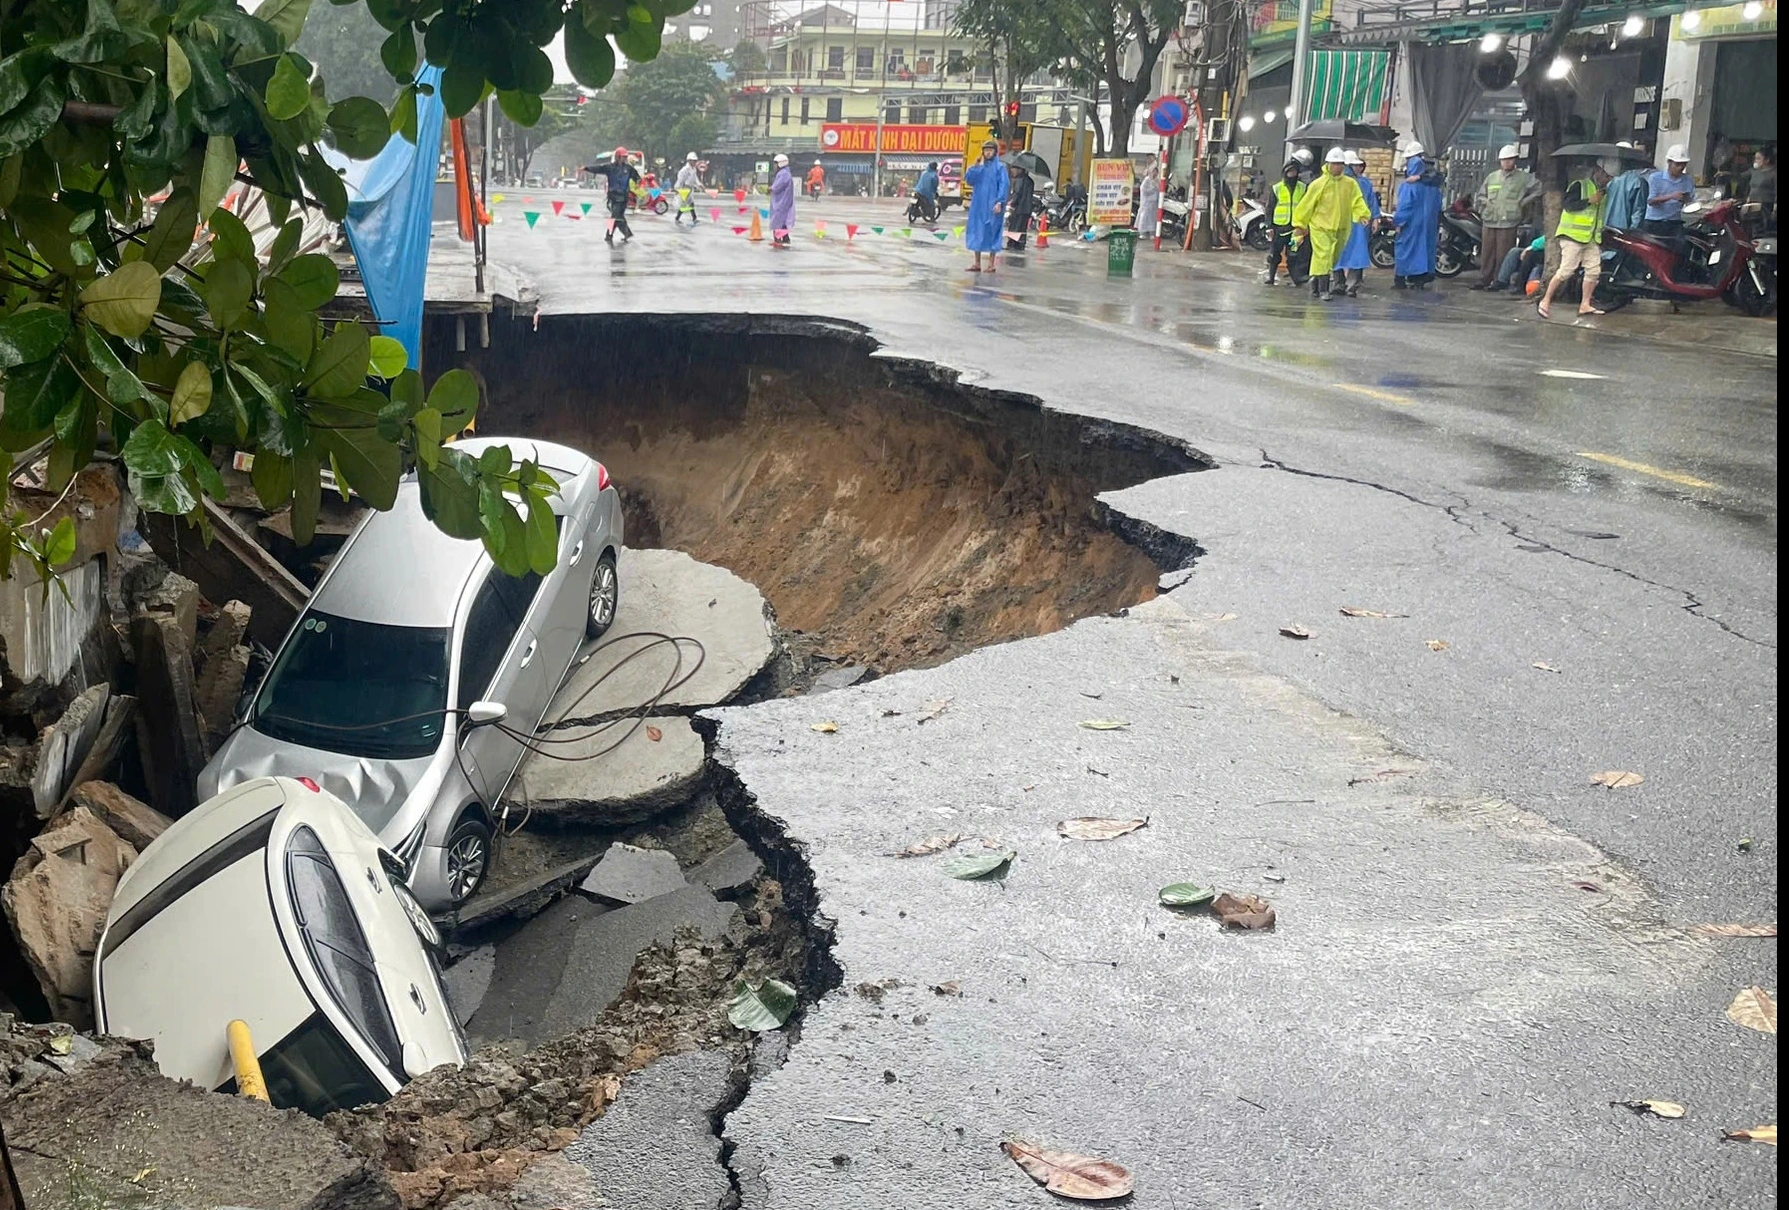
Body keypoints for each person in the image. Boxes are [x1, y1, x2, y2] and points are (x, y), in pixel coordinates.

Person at [1537, 157, 1615, 319]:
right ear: (1598, 172)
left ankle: (1585, 304)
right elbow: (1568, 205)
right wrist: (1589, 201)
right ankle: (1545, 300)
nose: (1608, 180)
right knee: (1566, 270)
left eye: (1611, 178)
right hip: (1572, 236)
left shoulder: (1604, 193)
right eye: (1606, 176)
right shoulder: (1580, 186)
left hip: (1591, 237)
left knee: (1594, 270)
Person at [1292, 147, 1371, 301]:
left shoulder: (1350, 184)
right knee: (1323, 254)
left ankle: (1314, 282)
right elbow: (1306, 205)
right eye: (1335, 163)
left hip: (1341, 227)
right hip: (1320, 226)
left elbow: (1357, 200)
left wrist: (1363, 214)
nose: (1338, 167)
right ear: (1328, 164)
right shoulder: (1319, 184)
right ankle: (1323, 290)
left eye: (1341, 163)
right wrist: (1300, 224)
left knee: (1333, 258)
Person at [1473, 143, 1538, 290]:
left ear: (1515, 160)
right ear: (1500, 161)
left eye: (1510, 159)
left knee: (1504, 252)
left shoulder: (1523, 178)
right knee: (1487, 252)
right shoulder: (1492, 177)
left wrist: (1523, 202)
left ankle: (1499, 280)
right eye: (1504, 159)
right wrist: (1485, 203)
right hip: (1490, 219)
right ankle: (1484, 279)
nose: (1507, 162)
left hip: (1509, 220)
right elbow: (1481, 195)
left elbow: (1538, 189)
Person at [1392, 140, 1442, 288]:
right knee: (1425, 248)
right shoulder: (1434, 186)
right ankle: (1421, 278)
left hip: (1411, 225)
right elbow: (1439, 205)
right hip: (1428, 224)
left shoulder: (1409, 186)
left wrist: (1398, 222)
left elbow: (1404, 207)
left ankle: (1401, 279)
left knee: (1405, 249)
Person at [1333, 149, 1380, 296]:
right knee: (1340, 252)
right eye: (1355, 165)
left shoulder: (1363, 182)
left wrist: (1375, 217)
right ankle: (1343, 284)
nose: (1358, 168)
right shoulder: (1340, 182)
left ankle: (1348, 284)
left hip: (1358, 223)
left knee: (1353, 253)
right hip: (1349, 222)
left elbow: (1371, 201)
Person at [963, 139, 1008, 273]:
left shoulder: (1000, 168)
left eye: (990, 150)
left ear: (995, 152)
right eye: (986, 150)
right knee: (977, 231)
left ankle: (991, 264)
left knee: (992, 231)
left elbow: (1004, 185)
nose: (988, 153)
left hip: (993, 206)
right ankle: (977, 263)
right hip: (978, 205)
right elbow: (969, 180)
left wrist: (1000, 201)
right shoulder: (979, 168)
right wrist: (975, 167)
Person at [1264, 159, 1308, 287]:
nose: (1291, 173)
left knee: (1293, 255)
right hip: (1279, 227)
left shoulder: (1303, 187)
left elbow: (1307, 207)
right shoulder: (1277, 188)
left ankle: (1296, 279)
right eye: (1289, 171)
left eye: (1294, 171)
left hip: (1295, 228)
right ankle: (1271, 278)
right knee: (1274, 255)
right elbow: (1270, 208)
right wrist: (1269, 226)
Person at [1643, 145, 1696, 241]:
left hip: (1675, 223)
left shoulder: (1688, 180)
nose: (1680, 168)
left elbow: (1691, 201)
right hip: (1655, 222)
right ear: (1669, 162)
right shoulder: (1655, 178)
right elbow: (1651, 201)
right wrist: (1671, 196)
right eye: (1677, 164)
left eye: (1683, 164)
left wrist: (1686, 199)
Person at [588, 147, 638, 243]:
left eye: (625, 157)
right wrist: (586, 168)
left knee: (616, 216)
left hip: (623, 197)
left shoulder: (627, 169)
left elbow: (637, 180)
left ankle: (613, 234)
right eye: (623, 157)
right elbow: (599, 168)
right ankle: (623, 233)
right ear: (618, 157)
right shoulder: (611, 167)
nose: (624, 159)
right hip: (614, 196)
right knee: (617, 216)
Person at [1006, 160, 1036, 250]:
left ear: (1020, 169)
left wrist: (1011, 203)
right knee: (1022, 228)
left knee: (1015, 226)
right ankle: (1020, 244)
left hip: (1019, 208)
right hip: (1027, 209)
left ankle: (1012, 244)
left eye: (1013, 169)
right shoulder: (1030, 181)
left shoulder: (1020, 180)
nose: (1012, 171)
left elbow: (1017, 194)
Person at [1743, 148, 1776, 229]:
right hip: (1752, 204)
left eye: (1758, 158)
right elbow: (1740, 176)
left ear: (1767, 160)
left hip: (1765, 206)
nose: (1756, 161)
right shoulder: (1754, 171)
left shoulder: (1774, 174)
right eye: (1755, 158)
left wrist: (1775, 210)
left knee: (1761, 227)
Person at [769, 153, 795, 247]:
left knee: (777, 220)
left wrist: (770, 189)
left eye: (776, 163)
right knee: (783, 220)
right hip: (784, 200)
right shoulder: (785, 173)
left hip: (781, 201)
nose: (775, 166)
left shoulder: (783, 174)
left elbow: (777, 186)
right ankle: (785, 238)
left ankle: (777, 240)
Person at [674, 151, 701, 226]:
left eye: (695, 161)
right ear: (689, 161)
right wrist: (678, 188)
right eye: (693, 161)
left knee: (689, 203)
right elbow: (680, 179)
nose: (694, 162)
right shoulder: (685, 170)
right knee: (686, 204)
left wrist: (699, 184)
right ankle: (691, 218)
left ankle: (691, 218)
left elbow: (695, 178)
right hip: (684, 188)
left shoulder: (693, 169)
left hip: (690, 188)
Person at [1135, 162, 1161, 236]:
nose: (1155, 173)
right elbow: (1143, 190)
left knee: (1153, 219)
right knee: (1144, 218)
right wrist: (1152, 189)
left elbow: (1159, 190)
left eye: (1156, 172)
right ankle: (1142, 233)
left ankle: (1152, 233)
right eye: (1154, 171)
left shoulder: (1157, 181)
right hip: (1146, 203)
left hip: (1154, 204)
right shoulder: (1147, 180)